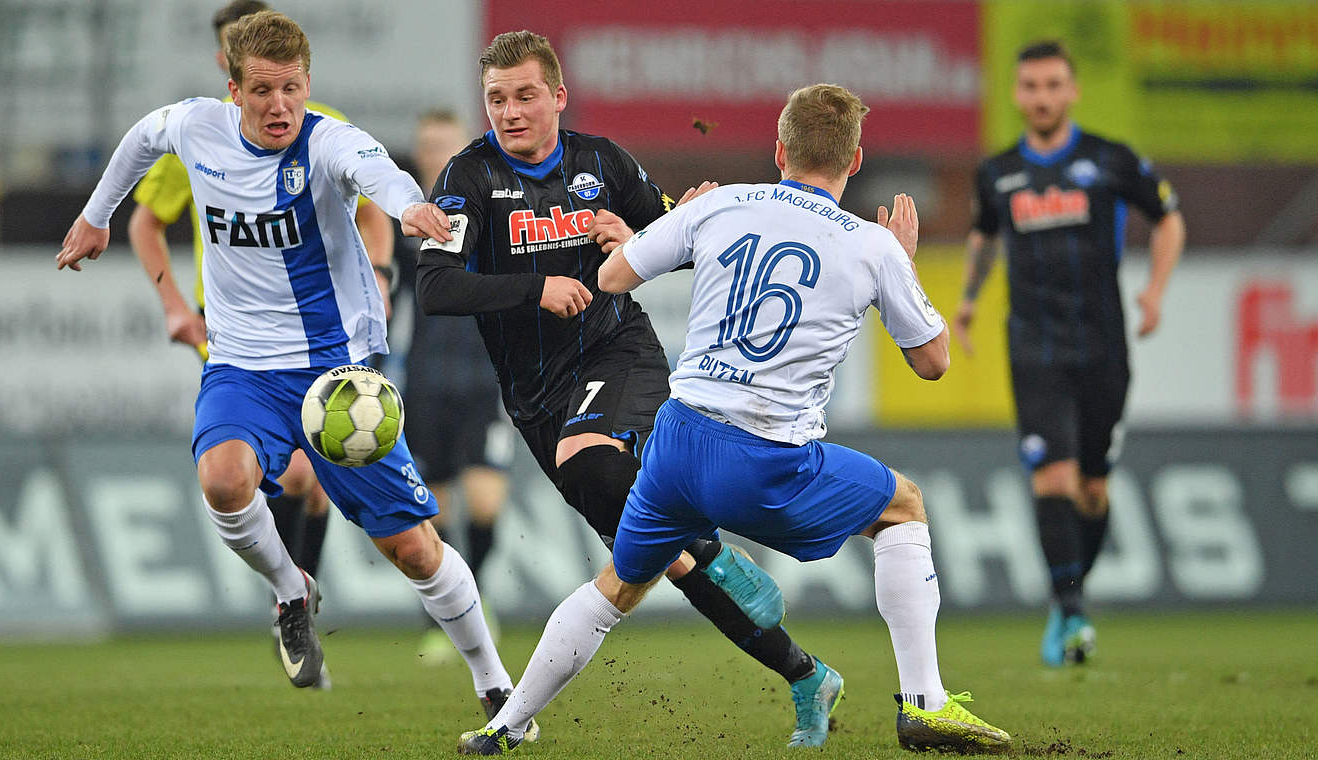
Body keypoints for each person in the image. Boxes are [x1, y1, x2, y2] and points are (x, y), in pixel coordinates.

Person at [456, 83, 1012, 755]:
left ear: (779, 149)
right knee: (903, 507)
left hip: (678, 444)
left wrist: (648, 237)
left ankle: (504, 727)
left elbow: (611, 278)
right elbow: (933, 362)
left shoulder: (722, 203)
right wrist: (904, 268)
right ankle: (924, 703)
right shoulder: (872, 247)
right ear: (855, 161)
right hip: (765, 458)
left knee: (616, 587)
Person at [56, 10, 535, 737]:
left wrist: (408, 206)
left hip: (334, 377)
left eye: (293, 89)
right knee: (222, 478)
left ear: (308, 84)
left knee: (413, 549)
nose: (280, 106)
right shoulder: (195, 127)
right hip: (242, 365)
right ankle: (291, 590)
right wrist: (96, 216)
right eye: (263, 92)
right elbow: (142, 136)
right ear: (233, 90)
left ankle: (498, 689)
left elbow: (379, 171)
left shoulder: (327, 140)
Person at [404, 31, 837, 747]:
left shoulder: (601, 162)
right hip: (534, 396)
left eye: (524, 96)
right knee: (656, 554)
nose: (509, 112)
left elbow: (678, 237)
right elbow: (436, 286)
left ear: (557, 96)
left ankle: (717, 553)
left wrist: (642, 229)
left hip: (618, 352)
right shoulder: (467, 177)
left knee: (598, 467)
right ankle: (805, 676)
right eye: (495, 99)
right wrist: (537, 287)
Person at [127, 0, 394, 615]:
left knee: (312, 473)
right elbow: (146, 224)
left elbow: (372, 207)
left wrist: (378, 273)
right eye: (230, 50)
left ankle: (297, 597)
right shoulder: (197, 136)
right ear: (227, 65)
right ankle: (293, 598)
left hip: (319, 325)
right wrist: (172, 304)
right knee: (278, 474)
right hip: (232, 331)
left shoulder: (322, 126)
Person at [955, 40, 1185, 667]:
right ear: (1016, 94)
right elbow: (984, 235)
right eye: (1031, 86)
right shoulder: (997, 172)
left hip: (1103, 346)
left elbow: (1168, 219)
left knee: (1091, 489)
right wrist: (970, 300)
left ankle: (1068, 595)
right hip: (1034, 345)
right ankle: (1073, 613)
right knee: (1050, 476)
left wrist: (1156, 292)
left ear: (1072, 90)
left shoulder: (1110, 160)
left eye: (1054, 85)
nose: (1043, 97)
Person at [398, 110, 515, 657]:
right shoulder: (406, 223)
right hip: (425, 380)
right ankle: (446, 616)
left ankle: (480, 594)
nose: (433, 152)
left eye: (443, 142)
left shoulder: (493, 210)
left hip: (483, 377)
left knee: (486, 500)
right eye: (426, 144)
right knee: (436, 506)